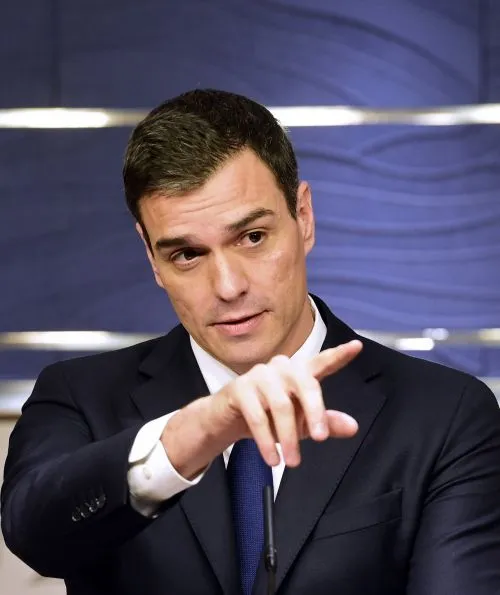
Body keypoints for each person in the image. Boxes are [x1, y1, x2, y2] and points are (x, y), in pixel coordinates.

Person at [2, 89, 500, 595]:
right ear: (152, 258)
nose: (228, 287)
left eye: (253, 237)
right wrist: (190, 437)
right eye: (187, 255)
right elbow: (34, 535)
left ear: (303, 217)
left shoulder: (447, 414)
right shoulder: (80, 396)